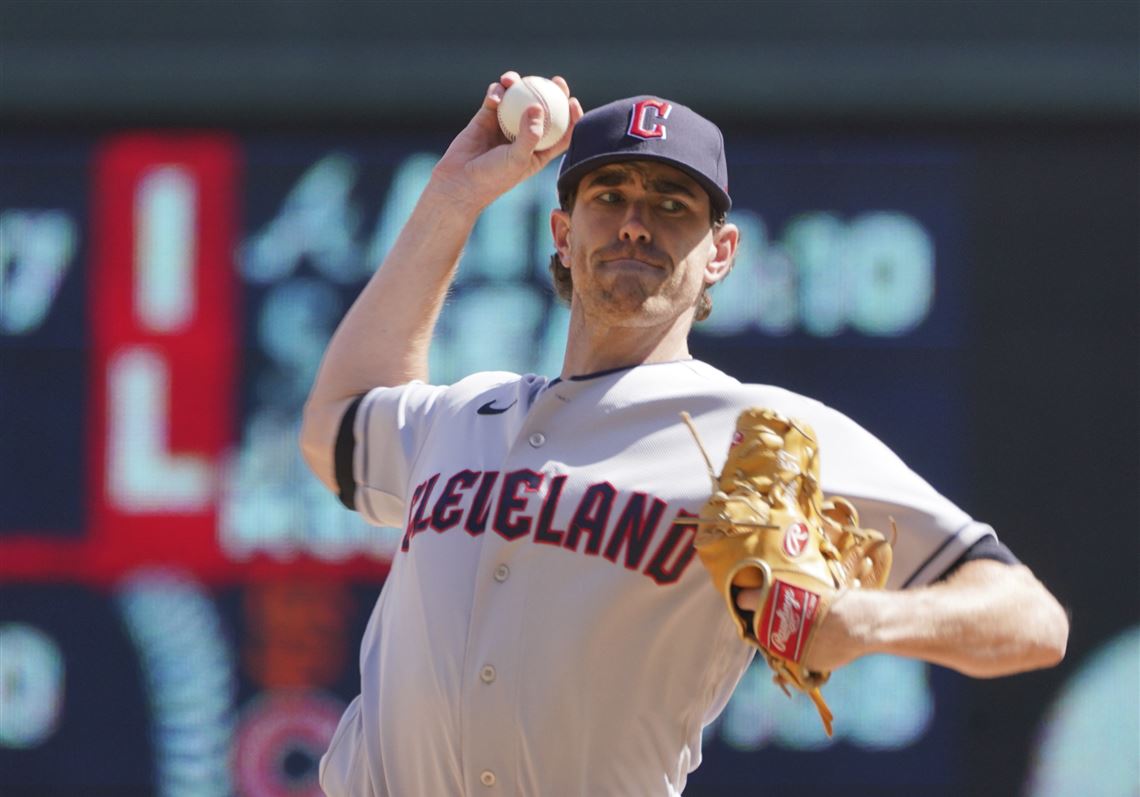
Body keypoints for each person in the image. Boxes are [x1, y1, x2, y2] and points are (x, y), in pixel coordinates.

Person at [299, 72, 1069, 796]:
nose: (635, 223)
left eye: (673, 204)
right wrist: (457, 196)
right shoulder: (463, 416)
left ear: (721, 256)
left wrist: (863, 621)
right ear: (562, 233)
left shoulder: (753, 430)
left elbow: (1030, 618)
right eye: (610, 195)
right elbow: (338, 421)